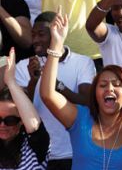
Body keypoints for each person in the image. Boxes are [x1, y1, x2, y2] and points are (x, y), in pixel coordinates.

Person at [40, 12, 122, 169]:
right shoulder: (80, 118)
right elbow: (47, 94)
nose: (109, 88)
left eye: (117, 84)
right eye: (103, 85)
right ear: (95, 94)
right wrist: (56, 44)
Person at [15, 11, 95, 169]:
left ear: (56, 34)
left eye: (41, 34)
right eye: (33, 34)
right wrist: (34, 82)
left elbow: (87, 102)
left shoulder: (83, 63)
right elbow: (20, 113)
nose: (35, 40)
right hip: (38, 155)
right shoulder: (25, 66)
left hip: (75, 152)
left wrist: (57, 85)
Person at [0, 48, 49, 169]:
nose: (2, 125)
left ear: (22, 120)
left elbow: (34, 126)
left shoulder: (34, 147)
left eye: (10, 120)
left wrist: (11, 82)